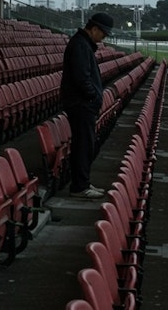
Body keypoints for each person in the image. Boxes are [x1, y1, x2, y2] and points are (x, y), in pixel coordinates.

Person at [60, 12, 114, 199]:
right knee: (83, 146)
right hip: (81, 104)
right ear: (94, 29)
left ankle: (83, 182)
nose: (103, 39)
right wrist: (93, 97)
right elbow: (82, 78)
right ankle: (80, 186)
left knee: (86, 145)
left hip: (82, 104)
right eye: (103, 34)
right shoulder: (80, 46)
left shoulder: (82, 44)